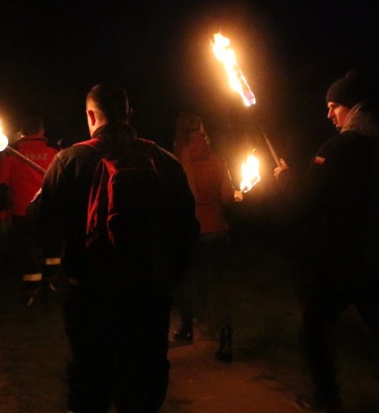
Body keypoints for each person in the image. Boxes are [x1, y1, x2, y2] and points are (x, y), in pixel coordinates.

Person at [35, 83, 198, 413]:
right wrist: (168, 277)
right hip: (149, 293)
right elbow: (187, 228)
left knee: (90, 378)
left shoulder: (70, 160)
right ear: (128, 113)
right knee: (145, 380)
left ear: (92, 115)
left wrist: (59, 273)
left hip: (91, 295)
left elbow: (42, 225)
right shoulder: (165, 161)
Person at [273, 69, 379, 413]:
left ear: (351, 108)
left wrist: (285, 178)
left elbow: (308, 200)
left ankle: (326, 398)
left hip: (340, 264)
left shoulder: (339, 149)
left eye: (334, 106)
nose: (328, 114)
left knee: (314, 324)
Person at [170, 113, 242, 362]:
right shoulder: (218, 161)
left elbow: (177, 202)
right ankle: (225, 339)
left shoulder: (179, 163)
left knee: (186, 280)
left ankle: (187, 326)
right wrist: (236, 196)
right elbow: (226, 197)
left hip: (191, 233)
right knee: (218, 286)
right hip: (218, 231)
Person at [0, 115, 60, 303]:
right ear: (42, 130)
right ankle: (52, 281)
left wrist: (2, 211)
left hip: (21, 210)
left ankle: (31, 290)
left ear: (22, 132)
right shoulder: (54, 149)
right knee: (50, 246)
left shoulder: (12, 151)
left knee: (28, 249)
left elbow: (1, 185)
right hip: (49, 208)